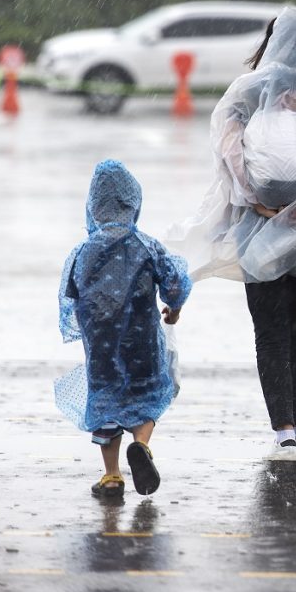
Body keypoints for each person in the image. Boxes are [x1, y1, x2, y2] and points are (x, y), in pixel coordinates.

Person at [167, 8, 296, 461]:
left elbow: (229, 157)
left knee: (270, 333)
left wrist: (258, 201)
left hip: (258, 230)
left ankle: (283, 431)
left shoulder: (246, 95)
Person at [56, 159, 192, 499]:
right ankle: (142, 446)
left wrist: (91, 323)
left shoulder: (83, 251)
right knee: (148, 391)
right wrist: (173, 310)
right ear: (134, 204)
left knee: (104, 397)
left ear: (93, 207)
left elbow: (69, 295)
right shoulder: (146, 245)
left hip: (101, 343)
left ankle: (112, 475)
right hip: (141, 337)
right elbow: (175, 282)